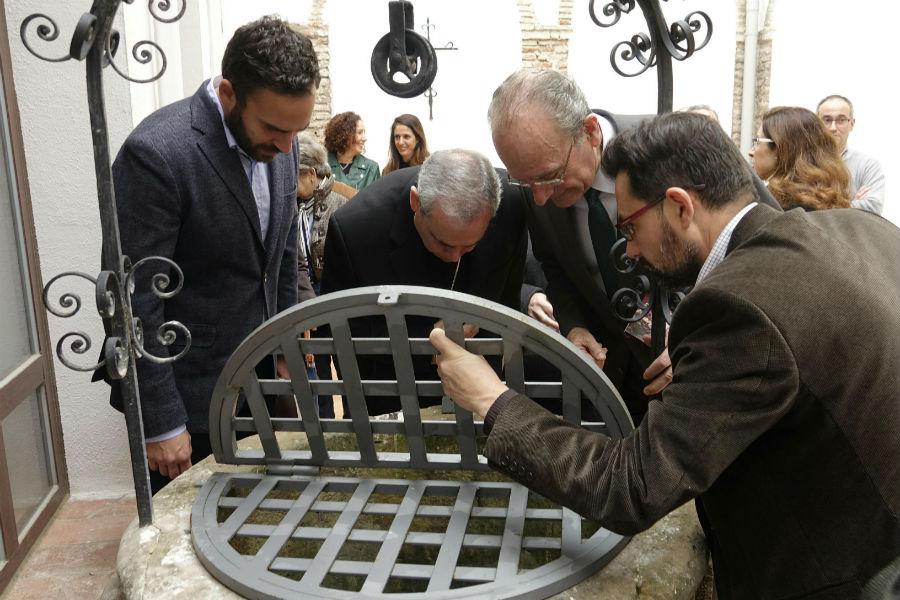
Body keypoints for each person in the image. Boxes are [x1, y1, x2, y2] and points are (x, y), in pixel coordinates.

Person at [431, 112, 900, 599]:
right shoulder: (860, 227)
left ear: (679, 207)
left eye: (629, 228)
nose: (629, 252)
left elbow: (629, 486)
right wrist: (713, 358)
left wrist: (490, 398)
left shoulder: (741, 312)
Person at [486, 69, 779, 422]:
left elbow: (765, 243)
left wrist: (703, 337)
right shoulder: (538, 179)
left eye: (550, 176)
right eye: (524, 182)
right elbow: (555, 266)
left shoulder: (677, 141)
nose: (540, 197)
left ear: (590, 132)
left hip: (706, 376)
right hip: (614, 381)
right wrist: (575, 326)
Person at [104, 16, 320, 492]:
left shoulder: (282, 139)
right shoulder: (156, 153)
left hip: (261, 386)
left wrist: (285, 345)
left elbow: (281, 255)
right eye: (273, 128)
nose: (288, 145)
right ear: (228, 94)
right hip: (190, 399)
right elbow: (132, 300)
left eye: (296, 130)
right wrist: (160, 420)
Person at [318, 149, 527, 416]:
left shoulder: (512, 204)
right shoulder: (356, 230)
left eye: (470, 245)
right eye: (443, 242)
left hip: (480, 386)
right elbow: (339, 330)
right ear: (415, 202)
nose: (454, 257)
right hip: (390, 395)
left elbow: (508, 297)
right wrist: (426, 338)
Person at [749, 106, 850, 211]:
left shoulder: (773, 208)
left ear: (781, 149)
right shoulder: (829, 198)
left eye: (757, 142)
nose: (751, 152)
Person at [295, 131, 354, 294]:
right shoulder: (291, 202)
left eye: (294, 178)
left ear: (311, 174)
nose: (289, 185)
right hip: (298, 289)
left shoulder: (342, 200)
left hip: (332, 290)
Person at [816, 94, 886, 214]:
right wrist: (852, 203)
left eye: (841, 120)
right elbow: (801, 207)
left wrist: (827, 207)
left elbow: (874, 206)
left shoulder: (868, 165)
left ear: (852, 124)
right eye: (827, 120)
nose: (833, 127)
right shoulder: (804, 162)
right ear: (817, 124)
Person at [325, 111, 380, 190]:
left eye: (364, 132)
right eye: (359, 132)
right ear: (344, 135)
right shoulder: (322, 166)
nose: (364, 138)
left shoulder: (371, 169)